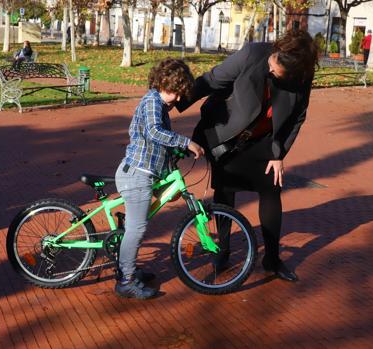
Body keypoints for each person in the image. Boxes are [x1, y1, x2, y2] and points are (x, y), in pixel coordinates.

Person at [177, 30, 318, 282]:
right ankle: (223, 251)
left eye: (277, 70)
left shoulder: (303, 76)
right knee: (225, 190)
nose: (270, 69)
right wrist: (173, 100)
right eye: (272, 61)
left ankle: (272, 260)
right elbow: (212, 80)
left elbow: (298, 116)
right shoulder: (254, 54)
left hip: (264, 140)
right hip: (226, 134)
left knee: (272, 188)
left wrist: (279, 154)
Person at [114, 58, 205, 299]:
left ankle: (127, 268)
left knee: (136, 224)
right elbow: (155, 132)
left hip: (143, 172)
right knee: (137, 228)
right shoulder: (152, 102)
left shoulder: (160, 105)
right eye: (175, 92)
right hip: (137, 175)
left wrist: (177, 150)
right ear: (163, 83)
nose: (177, 99)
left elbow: (157, 140)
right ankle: (126, 280)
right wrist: (186, 141)